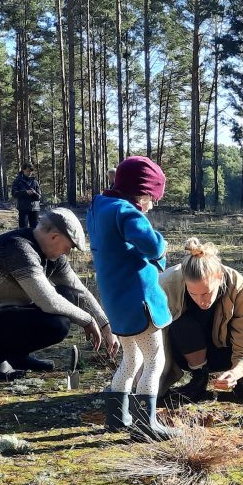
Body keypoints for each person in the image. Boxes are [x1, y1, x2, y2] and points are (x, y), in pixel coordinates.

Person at [0, 208, 115, 381]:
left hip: (1, 314)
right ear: (54, 237)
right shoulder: (17, 247)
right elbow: (47, 301)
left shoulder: (52, 257)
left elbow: (79, 291)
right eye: (68, 247)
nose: (67, 253)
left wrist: (106, 325)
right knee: (57, 324)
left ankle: (16, 356)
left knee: (69, 294)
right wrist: (87, 320)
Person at [88, 155, 179, 441]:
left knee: (131, 358)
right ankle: (145, 424)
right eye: (152, 198)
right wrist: (162, 244)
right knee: (155, 359)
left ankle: (117, 417)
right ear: (141, 193)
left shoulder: (99, 206)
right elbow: (152, 246)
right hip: (140, 300)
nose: (153, 205)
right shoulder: (127, 213)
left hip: (116, 302)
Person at [157, 237, 243, 404]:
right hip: (184, 353)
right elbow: (145, 337)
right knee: (183, 324)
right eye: (193, 294)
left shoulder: (238, 286)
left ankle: (241, 382)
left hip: (227, 351)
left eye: (206, 293)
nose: (201, 300)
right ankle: (199, 380)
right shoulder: (166, 284)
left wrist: (236, 373)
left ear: (219, 277)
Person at [10, 164, 42, 229]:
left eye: (31, 171)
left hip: (35, 208)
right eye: (28, 171)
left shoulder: (35, 182)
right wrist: (25, 192)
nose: (30, 173)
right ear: (23, 170)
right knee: (23, 229)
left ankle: (33, 239)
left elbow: (39, 197)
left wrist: (34, 193)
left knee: (35, 229)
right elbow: (14, 194)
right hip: (23, 208)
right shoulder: (17, 181)